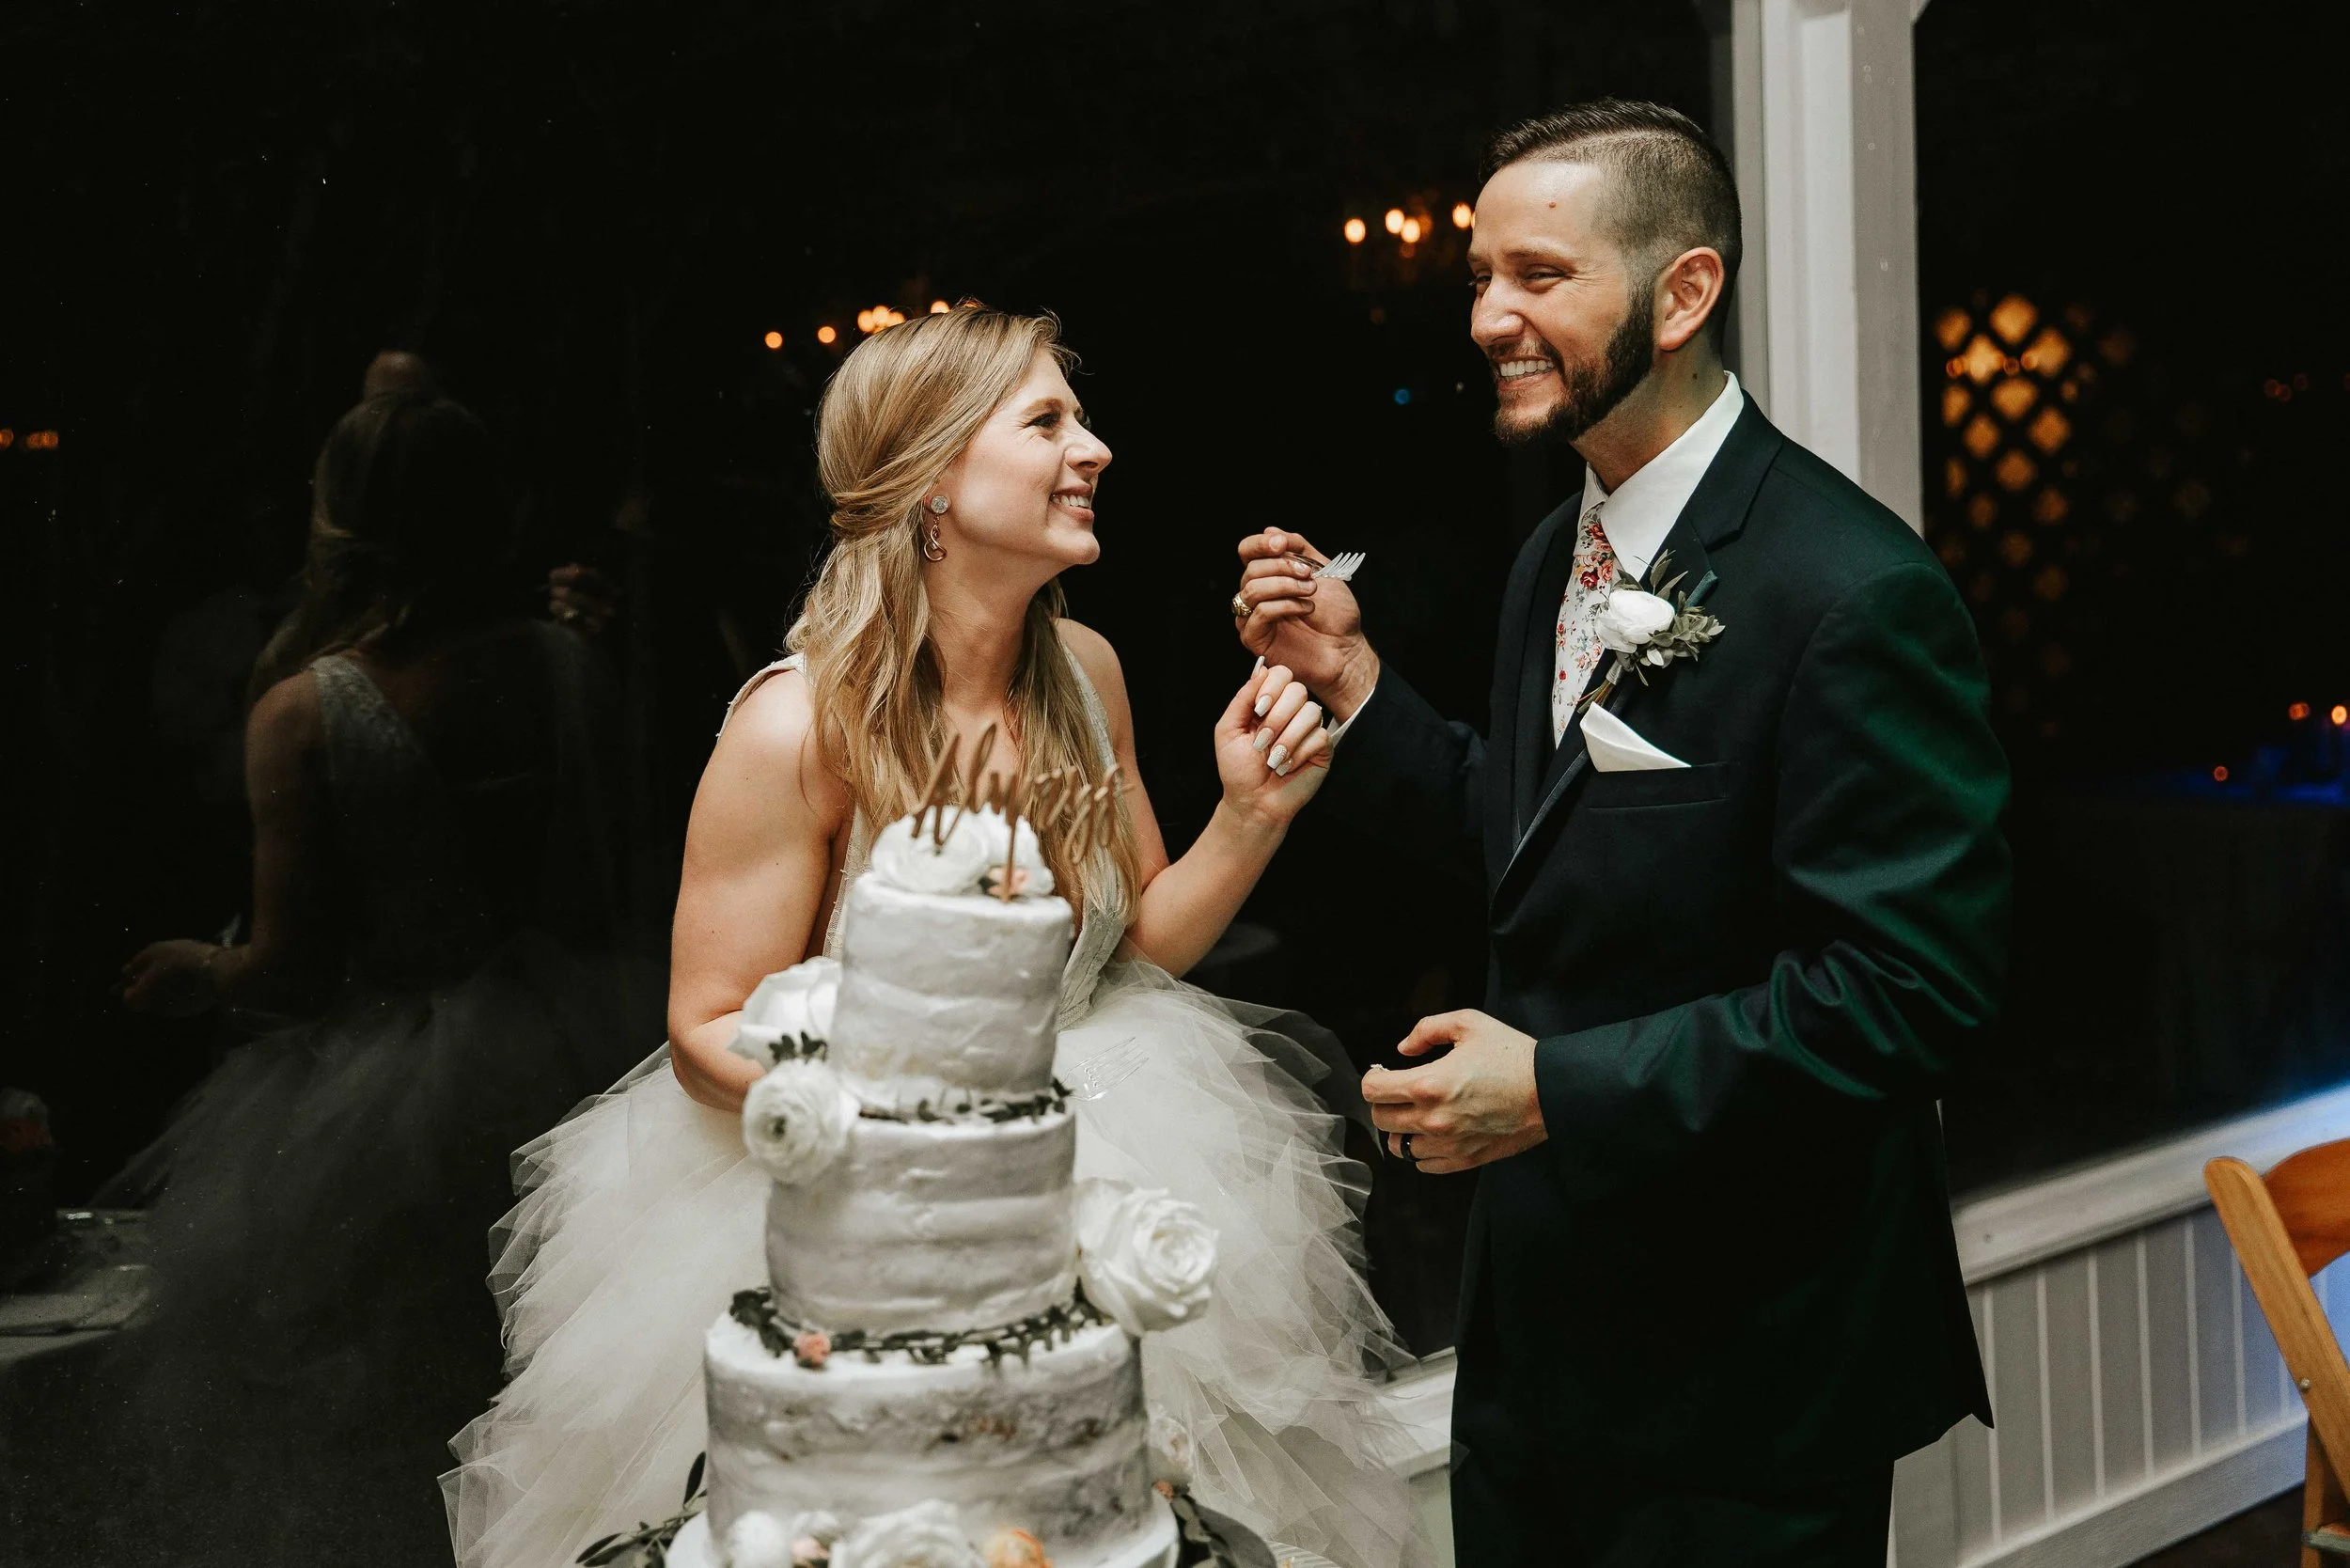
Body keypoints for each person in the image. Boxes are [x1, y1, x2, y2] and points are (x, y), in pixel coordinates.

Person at [443, 306, 1427, 1568]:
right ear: (933, 482)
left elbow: (1136, 949)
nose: (1095, 449)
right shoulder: (797, 726)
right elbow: (704, 1030)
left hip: (1120, 1131)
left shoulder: (1087, 672)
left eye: (1081, 419)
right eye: (1046, 422)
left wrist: (1251, 814)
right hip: (862, 1220)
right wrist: (919, 1127)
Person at [1232, 100, 2010, 1566]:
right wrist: (1355, 682)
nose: (1488, 318)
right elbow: (1535, 842)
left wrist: (1555, 1088)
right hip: (1542, 1333)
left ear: (1685, 291)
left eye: (1539, 275)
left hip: (1749, 1362)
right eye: (1480, 277)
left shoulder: (1853, 591)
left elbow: (1910, 995)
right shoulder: (1557, 552)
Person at [100, 391, 657, 1567]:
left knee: (369, 1428)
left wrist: (202, 968)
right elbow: (606, 878)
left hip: (381, 1105)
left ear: (337, 520)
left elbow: (292, 972)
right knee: (527, 1385)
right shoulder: (568, 665)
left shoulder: (305, 711)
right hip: (575, 1052)